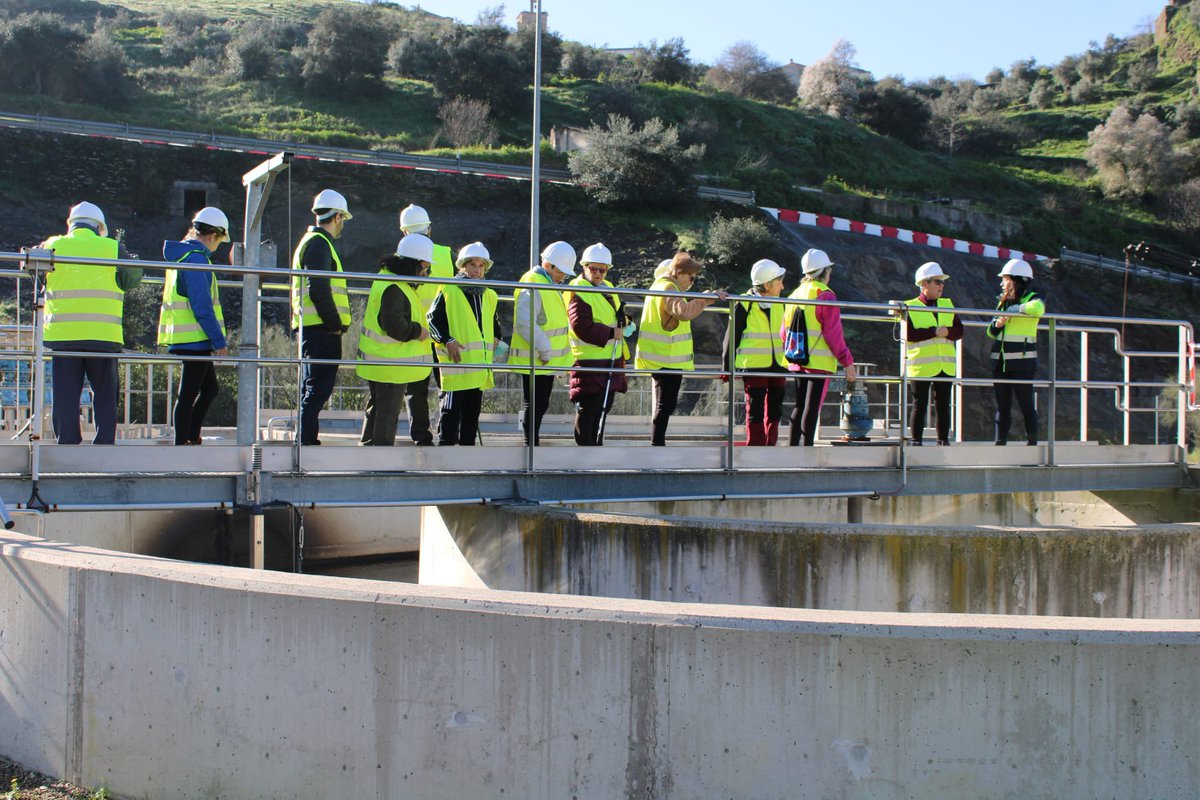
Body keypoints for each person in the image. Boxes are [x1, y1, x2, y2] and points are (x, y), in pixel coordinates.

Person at [41, 201, 142, 445]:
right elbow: (132, 278)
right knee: (105, 393)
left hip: (64, 335)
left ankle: (67, 441)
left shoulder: (53, 245)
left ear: (71, 225)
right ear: (99, 227)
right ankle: (104, 441)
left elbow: (35, 272)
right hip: (103, 335)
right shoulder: (112, 247)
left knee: (65, 394)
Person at [635, 252, 726, 446]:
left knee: (665, 403)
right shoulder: (669, 288)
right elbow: (683, 312)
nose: (692, 282)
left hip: (662, 356)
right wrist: (705, 300)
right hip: (666, 358)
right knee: (665, 404)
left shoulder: (661, 286)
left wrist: (703, 297)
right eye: (690, 277)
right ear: (678, 272)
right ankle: (657, 445)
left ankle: (657, 443)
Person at [157, 207, 231, 446]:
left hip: (190, 337)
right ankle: (182, 442)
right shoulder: (196, 259)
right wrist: (219, 341)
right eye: (219, 240)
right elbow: (202, 307)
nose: (218, 246)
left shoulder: (185, 256)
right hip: (195, 338)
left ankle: (190, 436)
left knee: (209, 390)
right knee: (189, 393)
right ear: (212, 235)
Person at [355, 235, 435, 446]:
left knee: (377, 408)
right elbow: (394, 326)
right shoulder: (395, 287)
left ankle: (367, 449)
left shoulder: (388, 280)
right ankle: (380, 456)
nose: (425, 274)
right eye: (425, 268)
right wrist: (418, 331)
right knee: (387, 413)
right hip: (390, 364)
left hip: (381, 361)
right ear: (416, 264)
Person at [291, 189, 352, 446]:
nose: (342, 224)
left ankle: (305, 438)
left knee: (312, 386)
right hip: (321, 329)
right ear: (337, 217)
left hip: (312, 327)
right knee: (318, 388)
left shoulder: (312, 241)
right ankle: (305, 440)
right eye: (343, 219)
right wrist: (334, 325)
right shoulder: (319, 244)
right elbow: (318, 289)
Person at [427, 242, 502, 446]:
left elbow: (495, 325)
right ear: (462, 266)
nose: (477, 270)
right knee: (450, 411)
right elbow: (433, 319)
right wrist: (447, 340)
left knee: (472, 413)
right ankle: (446, 452)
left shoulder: (489, 295)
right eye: (472, 265)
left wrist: (497, 338)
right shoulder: (448, 288)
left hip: (478, 367)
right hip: (456, 366)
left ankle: (468, 453)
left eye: (481, 265)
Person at [783, 248, 857, 446]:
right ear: (824, 271)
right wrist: (847, 361)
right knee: (812, 406)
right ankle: (807, 449)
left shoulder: (794, 294)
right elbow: (833, 334)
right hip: (818, 361)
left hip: (796, 358)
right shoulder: (825, 295)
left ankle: (792, 448)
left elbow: (784, 331)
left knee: (799, 405)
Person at [510, 241, 576, 446]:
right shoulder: (533, 283)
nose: (563, 277)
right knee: (535, 404)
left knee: (540, 404)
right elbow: (525, 322)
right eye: (561, 272)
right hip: (537, 357)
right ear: (548, 265)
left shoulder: (546, 284)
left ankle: (532, 444)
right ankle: (530, 446)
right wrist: (546, 350)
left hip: (543, 359)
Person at [567, 243, 630, 446]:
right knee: (589, 410)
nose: (598, 273)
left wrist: (626, 321)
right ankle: (585, 450)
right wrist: (612, 333)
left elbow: (614, 314)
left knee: (603, 409)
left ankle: (595, 449)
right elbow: (581, 326)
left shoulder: (608, 288)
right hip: (589, 361)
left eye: (603, 270)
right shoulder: (579, 291)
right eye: (594, 268)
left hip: (609, 360)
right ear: (584, 267)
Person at [722, 259, 788, 446]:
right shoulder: (744, 303)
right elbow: (731, 337)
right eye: (779, 282)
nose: (782, 286)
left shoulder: (781, 303)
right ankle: (755, 448)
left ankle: (770, 445)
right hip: (754, 366)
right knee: (755, 410)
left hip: (779, 365)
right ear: (767, 285)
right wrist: (726, 367)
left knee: (775, 409)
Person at [904, 262, 963, 446]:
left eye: (942, 282)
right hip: (921, 366)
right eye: (937, 281)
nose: (941, 285)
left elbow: (959, 330)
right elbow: (909, 334)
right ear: (924, 284)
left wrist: (948, 332)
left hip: (945, 365)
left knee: (943, 405)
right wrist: (934, 331)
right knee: (919, 405)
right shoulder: (910, 306)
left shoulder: (947, 304)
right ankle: (916, 442)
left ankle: (943, 441)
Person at [988, 258, 1045, 445]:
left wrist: (1014, 310)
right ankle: (1000, 443)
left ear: (1015, 280)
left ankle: (1032, 443)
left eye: (1004, 279)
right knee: (1002, 406)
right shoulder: (1002, 302)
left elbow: (1039, 309)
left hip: (1022, 362)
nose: (1001, 283)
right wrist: (998, 323)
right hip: (1000, 362)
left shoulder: (1032, 298)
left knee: (1026, 404)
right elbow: (990, 332)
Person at [399, 204, 455, 312]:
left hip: (410, 320)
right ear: (429, 229)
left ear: (405, 232)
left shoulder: (396, 261)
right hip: (443, 319)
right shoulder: (449, 255)